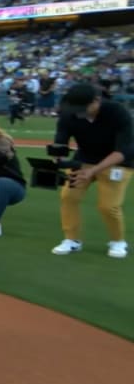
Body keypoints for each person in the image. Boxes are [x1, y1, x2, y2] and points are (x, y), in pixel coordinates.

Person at [50, 83, 133, 259]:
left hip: (118, 163)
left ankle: (118, 241)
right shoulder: (70, 113)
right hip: (84, 160)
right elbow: (61, 142)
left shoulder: (118, 113)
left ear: (97, 100)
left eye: (83, 107)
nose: (78, 112)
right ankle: (72, 240)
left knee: (108, 206)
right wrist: (58, 159)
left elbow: (123, 151)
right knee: (68, 197)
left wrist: (93, 170)